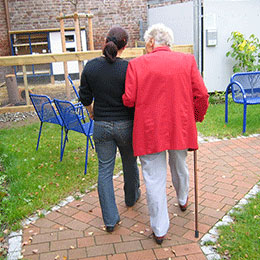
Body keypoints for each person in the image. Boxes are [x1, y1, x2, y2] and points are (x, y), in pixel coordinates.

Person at [122, 23, 209, 244]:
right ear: (168, 42)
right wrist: (195, 117)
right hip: (180, 126)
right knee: (180, 164)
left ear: (151, 42)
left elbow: (129, 99)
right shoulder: (187, 60)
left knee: (154, 178)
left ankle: (160, 229)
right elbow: (202, 94)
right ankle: (182, 199)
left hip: (150, 129)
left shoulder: (136, 65)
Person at [79, 26, 140, 232]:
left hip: (101, 126)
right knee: (130, 163)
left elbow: (85, 98)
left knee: (104, 170)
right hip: (126, 126)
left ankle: (110, 220)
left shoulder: (90, 67)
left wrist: (92, 112)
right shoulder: (129, 68)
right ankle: (131, 198)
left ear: (104, 41)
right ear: (125, 45)